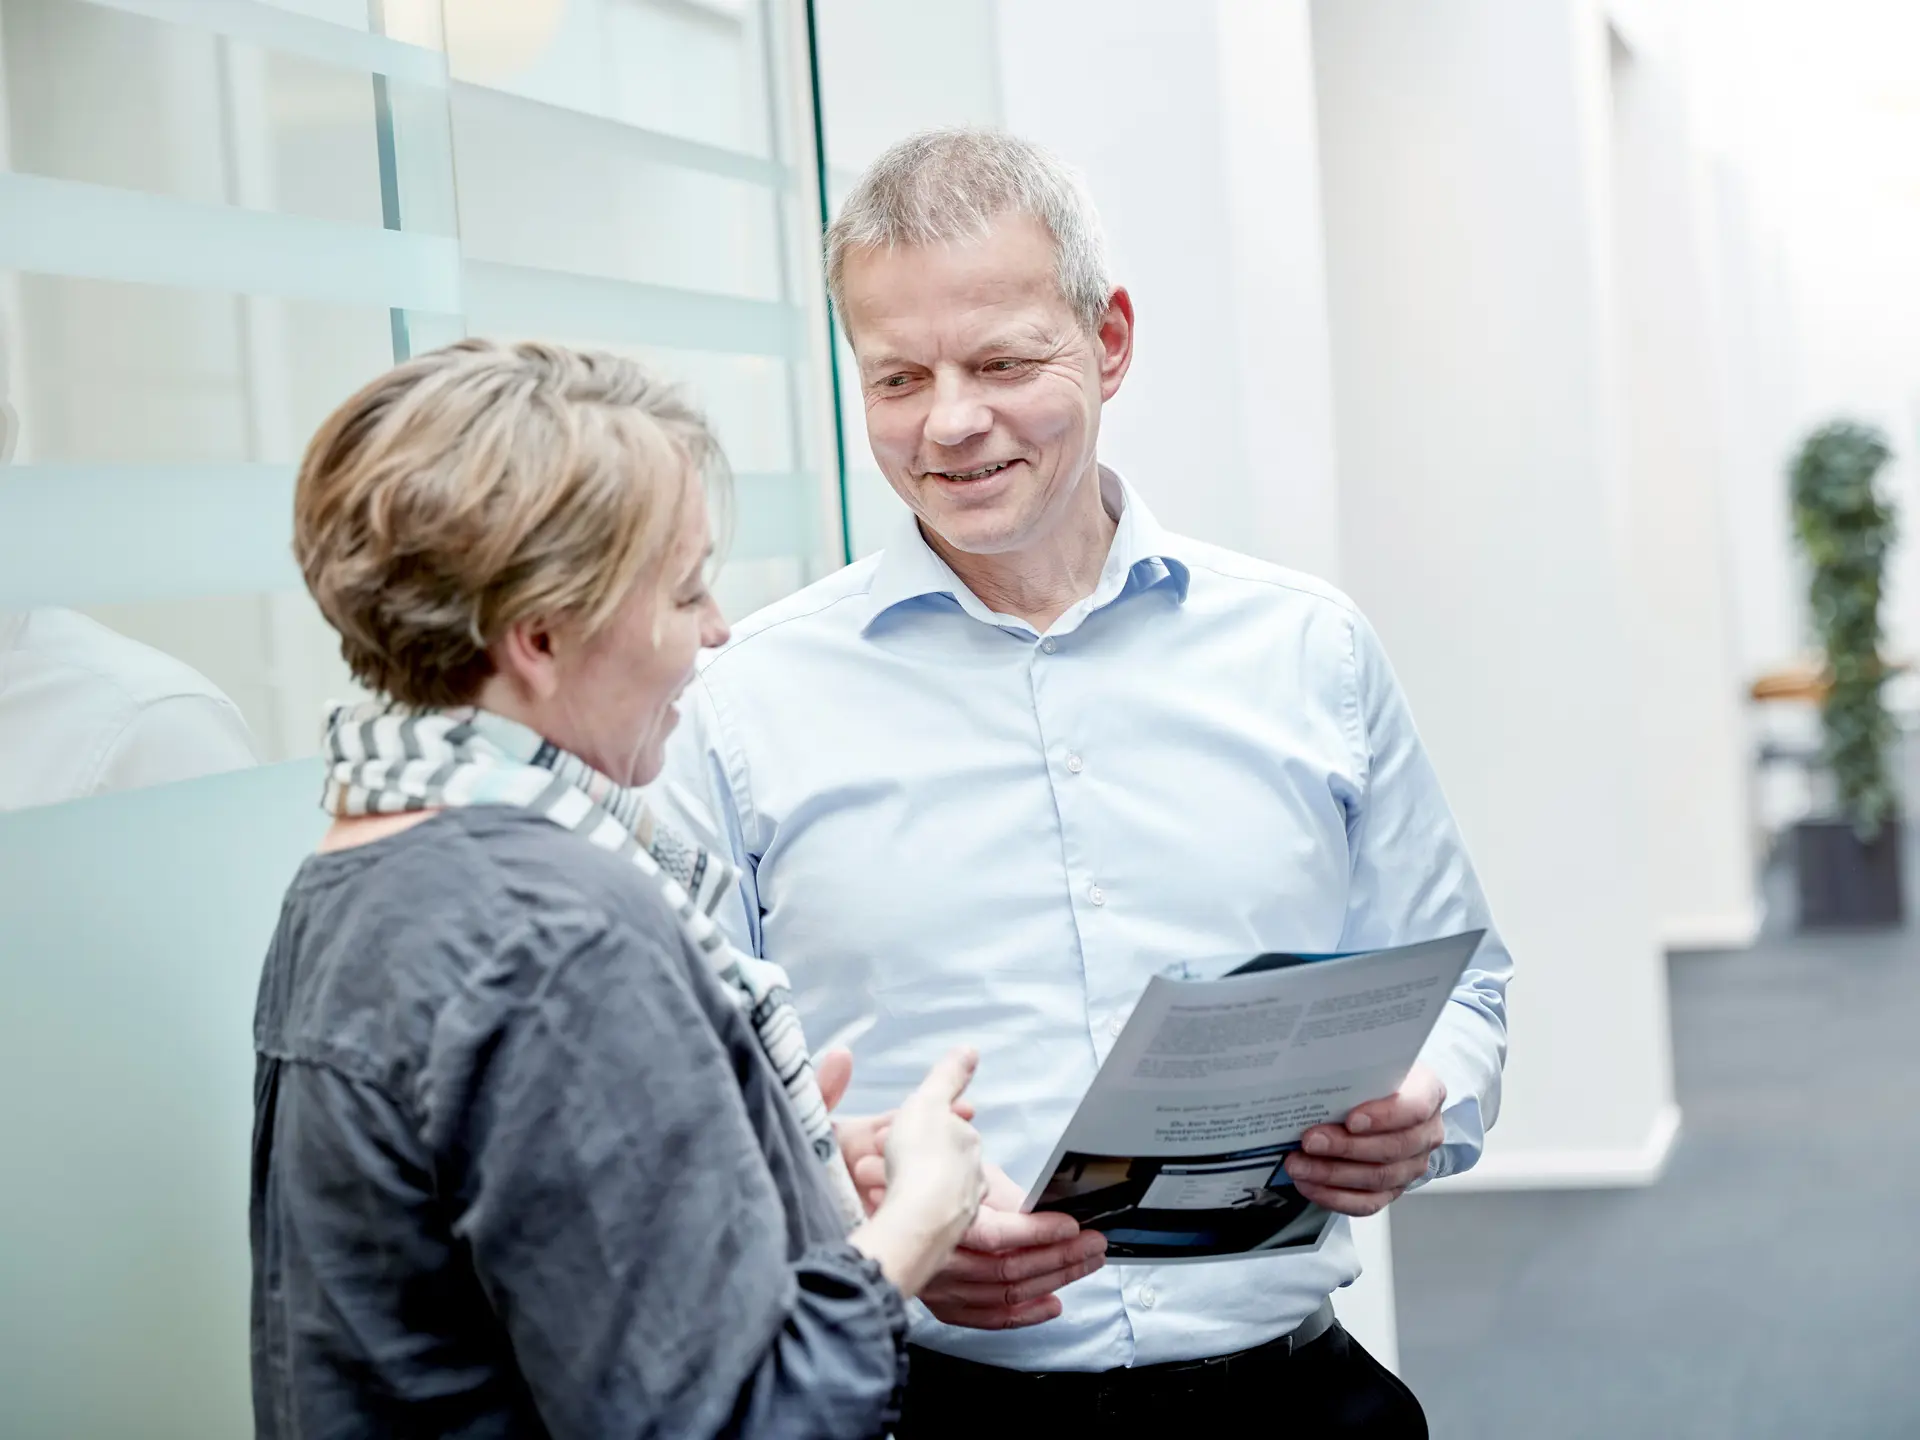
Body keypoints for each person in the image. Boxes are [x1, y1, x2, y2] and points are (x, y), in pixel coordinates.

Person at [658, 129, 1513, 1436]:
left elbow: (1460, 981)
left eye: (1002, 361)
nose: (951, 421)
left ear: (1108, 340)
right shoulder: (737, 702)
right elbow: (682, 1099)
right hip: (931, 1408)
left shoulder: (1307, 649)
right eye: (899, 378)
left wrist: (1426, 1105)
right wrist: (854, 1210)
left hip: (1295, 1398)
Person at [251, 338, 989, 1439]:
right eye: (686, 586)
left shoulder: (359, 867)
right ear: (540, 637)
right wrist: (917, 1228)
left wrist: (755, 1166)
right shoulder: (558, 939)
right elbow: (740, 1422)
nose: (716, 629)